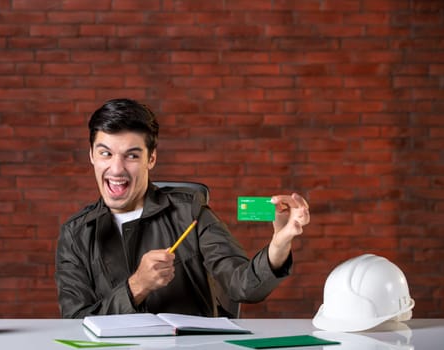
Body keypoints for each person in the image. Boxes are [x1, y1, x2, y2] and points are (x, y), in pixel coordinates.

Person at [55, 98, 310, 318]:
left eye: (132, 155)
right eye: (105, 154)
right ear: (91, 155)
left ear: (151, 158)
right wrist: (137, 286)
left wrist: (279, 244)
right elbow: (76, 322)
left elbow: (243, 286)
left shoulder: (191, 212)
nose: (117, 169)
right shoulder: (75, 234)